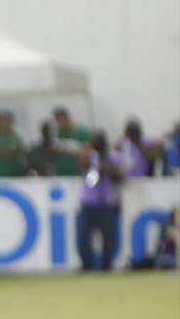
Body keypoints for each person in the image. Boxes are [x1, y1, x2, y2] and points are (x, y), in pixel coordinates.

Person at [77, 131, 127, 271]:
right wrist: (99, 170)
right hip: (88, 203)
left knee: (108, 238)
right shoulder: (89, 157)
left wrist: (110, 170)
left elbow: (120, 177)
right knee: (83, 237)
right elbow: (90, 181)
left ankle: (107, 265)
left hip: (105, 203)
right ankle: (87, 265)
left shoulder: (112, 157)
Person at [0, 111, 26, 177]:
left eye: (8, 121)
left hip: (15, 173)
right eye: (4, 121)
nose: (6, 123)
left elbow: (21, 150)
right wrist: (8, 152)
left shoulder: (15, 137)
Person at [51, 108, 89, 176]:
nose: (61, 124)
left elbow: (87, 151)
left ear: (67, 118)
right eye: (58, 121)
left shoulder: (81, 133)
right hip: (61, 173)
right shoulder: (57, 135)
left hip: (77, 172)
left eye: (62, 120)